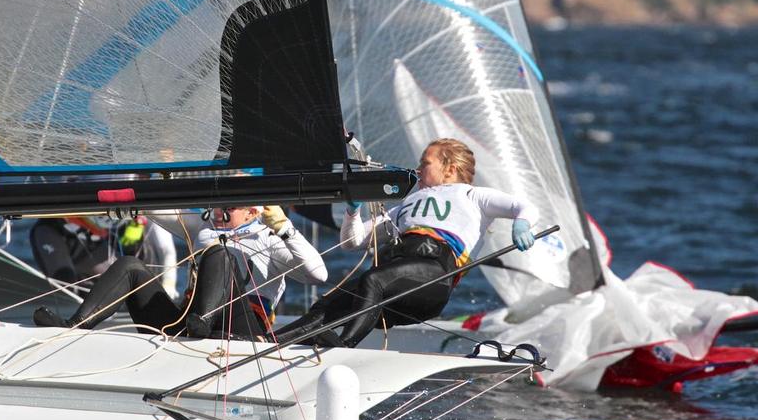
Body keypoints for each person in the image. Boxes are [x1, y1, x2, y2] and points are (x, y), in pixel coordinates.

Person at [276, 138, 539, 347]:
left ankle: (343, 345)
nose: (417, 169)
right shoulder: (406, 205)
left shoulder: (472, 195)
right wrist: (352, 211)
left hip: (433, 276)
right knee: (330, 304)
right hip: (399, 274)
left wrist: (522, 223)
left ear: (450, 169)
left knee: (373, 280)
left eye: (425, 163)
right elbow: (352, 242)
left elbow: (522, 206)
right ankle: (272, 343)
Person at [33, 205, 327, 339]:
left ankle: (203, 323)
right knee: (129, 266)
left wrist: (286, 228)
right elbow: (157, 210)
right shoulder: (204, 227)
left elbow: (319, 276)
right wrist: (134, 202)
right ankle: (76, 324)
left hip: (242, 329)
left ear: (253, 212)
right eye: (217, 205)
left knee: (221, 253)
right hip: (186, 322)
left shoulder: (270, 238)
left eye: (230, 207)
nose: (218, 211)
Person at [30, 214, 178, 299]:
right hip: (56, 228)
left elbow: (165, 251)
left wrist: (168, 285)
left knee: (136, 268)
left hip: (97, 230)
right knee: (64, 282)